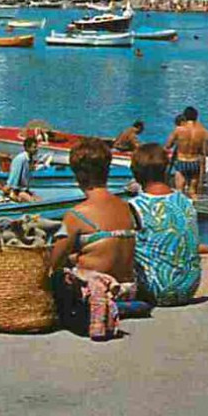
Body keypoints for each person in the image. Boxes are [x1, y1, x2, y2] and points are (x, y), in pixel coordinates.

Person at [48, 138, 137, 340]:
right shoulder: (127, 208)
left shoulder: (77, 214)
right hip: (128, 288)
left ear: (79, 176)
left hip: (97, 289)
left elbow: (54, 261)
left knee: (57, 275)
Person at [127, 144, 201, 307]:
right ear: (166, 170)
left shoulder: (135, 206)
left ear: (136, 174)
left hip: (156, 290)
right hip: (189, 286)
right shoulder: (186, 201)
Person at [164, 107, 208, 198]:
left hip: (181, 162)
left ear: (184, 117)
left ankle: (180, 209)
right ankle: (194, 208)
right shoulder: (203, 131)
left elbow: (168, 145)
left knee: (179, 190)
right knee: (192, 191)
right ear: (196, 117)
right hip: (195, 162)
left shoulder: (179, 130)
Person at [5, 132, 43, 200]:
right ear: (28, 148)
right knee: (31, 200)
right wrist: (14, 192)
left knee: (39, 199)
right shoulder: (20, 159)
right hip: (16, 190)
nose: (37, 149)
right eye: (34, 147)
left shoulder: (30, 159)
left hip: (23, 189)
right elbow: (15, 175)